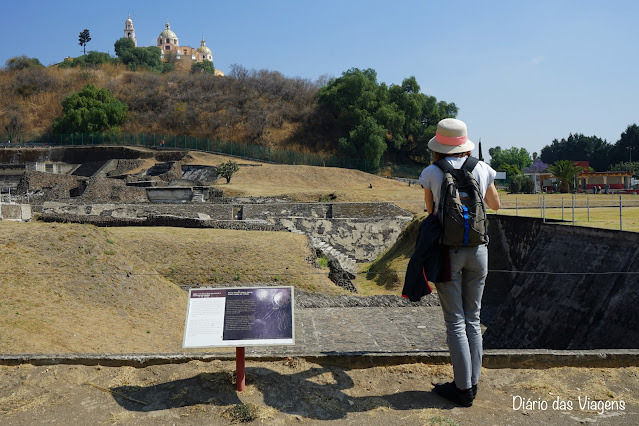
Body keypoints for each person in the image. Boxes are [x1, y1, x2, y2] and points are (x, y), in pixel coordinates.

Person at [418, 118, 501, 407]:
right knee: (473, 319)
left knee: (455, 322)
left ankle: (462, 388)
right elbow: (495, 205)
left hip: (448, 252)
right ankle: (473, 384)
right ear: (464, 142)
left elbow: (430, 211)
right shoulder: (482, 168)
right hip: (479, 251)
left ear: (438, 146)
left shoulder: (431, 171)